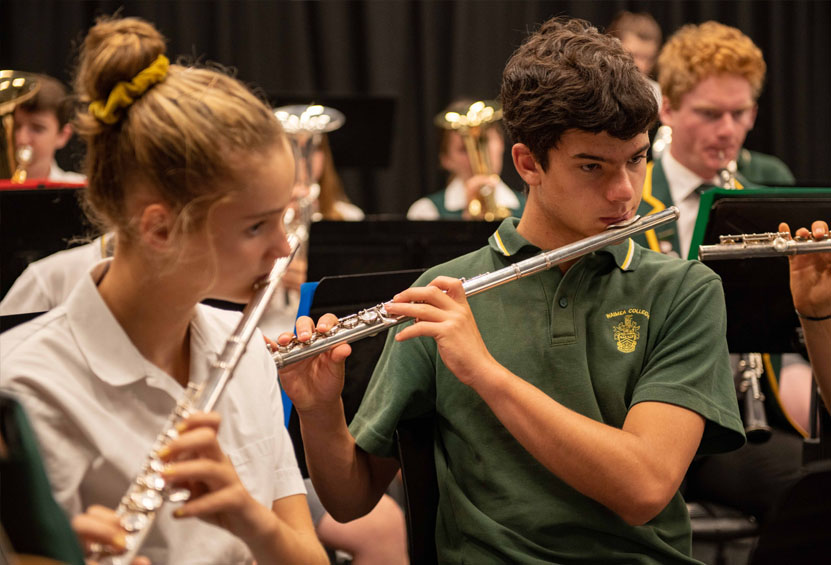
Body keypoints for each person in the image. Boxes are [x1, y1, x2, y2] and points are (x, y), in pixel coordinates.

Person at [279, 17, 744, 563]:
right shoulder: (445, 294)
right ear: (528, 163)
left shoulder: (684, 289)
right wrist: (318, 409)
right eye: (592, 166)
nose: (624, 192)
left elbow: (643, 488)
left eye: (637, 159)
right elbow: (351, 502)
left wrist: (483, 370)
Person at [0, 15, 327, 565]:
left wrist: (252, 522)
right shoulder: (26, 388)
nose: (282, 251)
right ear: (158, 228)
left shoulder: (241, 349)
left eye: (284, 222)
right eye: (255, 227)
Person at [633, 20, 810, 528]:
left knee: (814, 484)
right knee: (803, 491)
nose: (728, 131)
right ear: (667, 109)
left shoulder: (762, 191)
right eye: (709, 114)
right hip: (661, 412)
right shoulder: (631, 194)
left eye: (741, 113)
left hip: (748, 413)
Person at [406, 99, 526, 220]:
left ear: (501, 143)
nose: (477, 156)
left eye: (483, 141)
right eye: (464, 149)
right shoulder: (425, 212)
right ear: (445, 159)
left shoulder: (526, 209)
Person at [12, 73, 85, 183]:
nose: (22, 139)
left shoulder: (79, 188)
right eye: (16, 126)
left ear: (63, 136)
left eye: (37, 129)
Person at [606, 10, 663, 105]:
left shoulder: (659, 98)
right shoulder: (597, 90)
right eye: (633, 55)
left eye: (648, 58)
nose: (641, 66)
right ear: (613, 48)